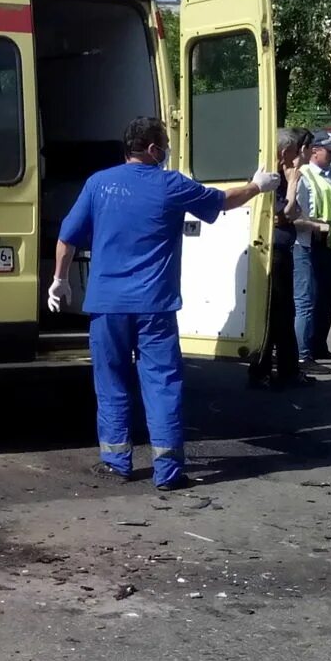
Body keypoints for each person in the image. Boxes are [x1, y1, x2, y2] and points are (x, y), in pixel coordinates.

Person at [49, 116, 278, 489]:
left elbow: (66, 238)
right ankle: (168, 471)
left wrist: (59, 282)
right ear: (154, 150)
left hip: (107, 305)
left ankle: (116, 461)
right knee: (161, 383)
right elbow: (223, 201)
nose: (167, 150)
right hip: (154, 306)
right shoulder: (170, 184)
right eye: (165, 144)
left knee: (111, 382)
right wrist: (257, 186)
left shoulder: (98, 184)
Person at [252, 127, 321, 389]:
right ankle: (262, 371)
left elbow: (294, 212)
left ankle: (287, 369)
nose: (295, 159)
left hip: (283, 250)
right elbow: (285, 214)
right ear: (283, 153)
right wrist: (292, 182)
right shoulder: (274, 178)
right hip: (273, 253)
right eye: (292, 153)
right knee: (273, 314)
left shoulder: (281, 176)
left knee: (285, 313)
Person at [294, 139, 331, 364]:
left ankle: (318, 345)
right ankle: (303, 353)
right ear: (315, 152)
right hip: (310, 240)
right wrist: (317, 226)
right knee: (308, 299)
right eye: (329, 151)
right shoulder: (304, 175)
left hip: (329, 240)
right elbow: (299, 212)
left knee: (326, 297)